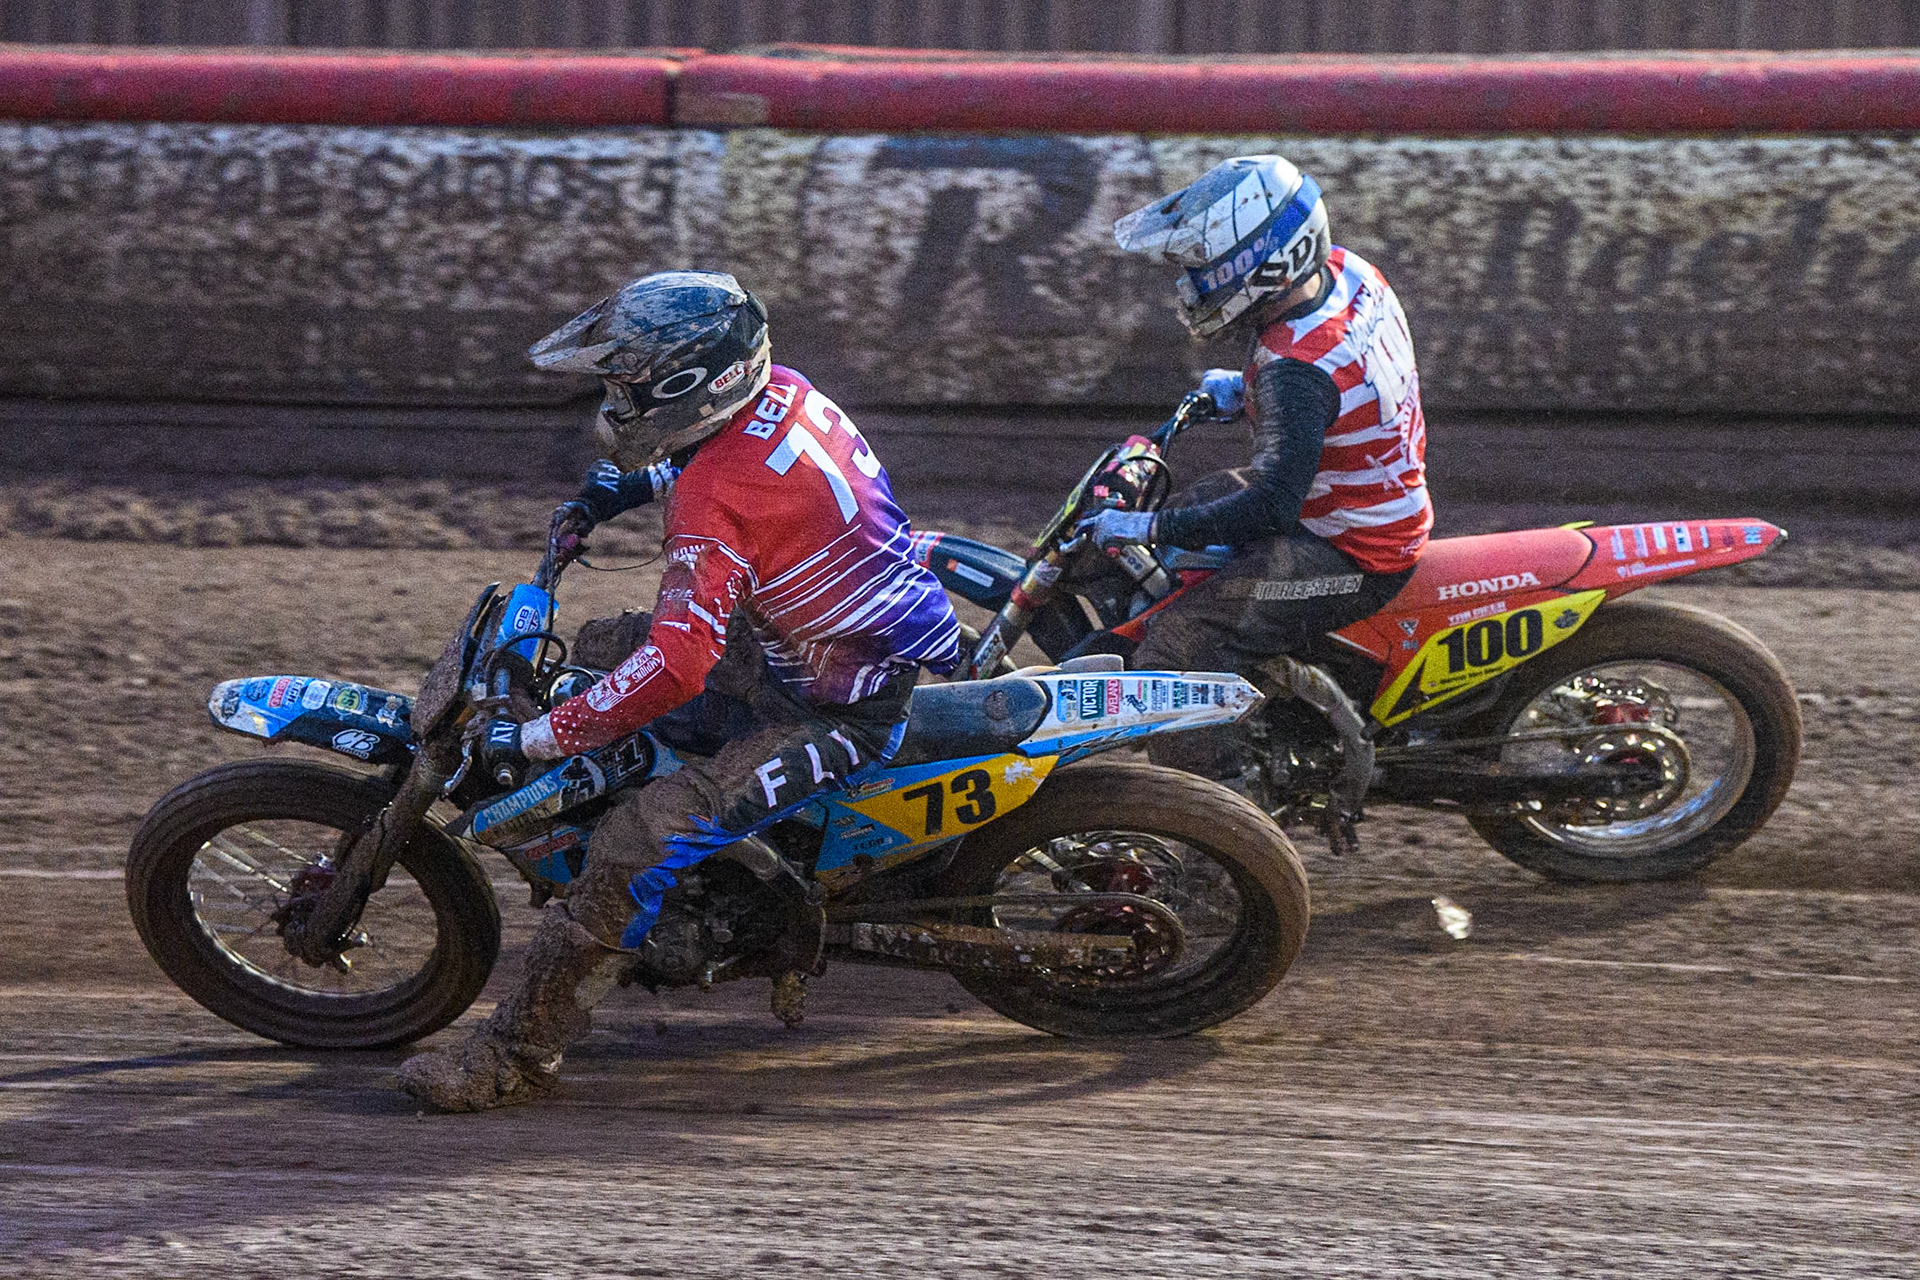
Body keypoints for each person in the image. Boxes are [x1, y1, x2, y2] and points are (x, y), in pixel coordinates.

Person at [399, 271, 962, 1111]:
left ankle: (512, 1057)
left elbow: (679, 664)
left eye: (627, 388)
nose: (614, 404)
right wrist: (625, 487)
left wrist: (542, 739)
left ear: (689, 385)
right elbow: (748, 472)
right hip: (800, 645)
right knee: (595, 646)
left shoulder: (712, 499)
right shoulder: (790, 394)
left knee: (634, 840)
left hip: (833, 706)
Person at [1081, 154, 1432, 786]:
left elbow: (1271, 505)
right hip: (1349, 495)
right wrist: (1250, 392)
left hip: (1351, 549)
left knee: (1177, 655)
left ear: (1264, 261)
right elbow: (1351, 380)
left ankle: (1223, 834)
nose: (1192, 283)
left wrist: (1145, 529)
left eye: (1202, 266)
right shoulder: (1350, 273)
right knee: (1196, 510)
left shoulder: (1295, 368)